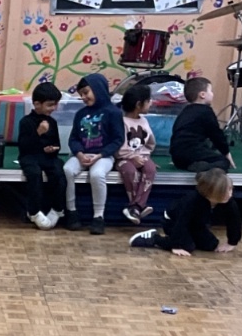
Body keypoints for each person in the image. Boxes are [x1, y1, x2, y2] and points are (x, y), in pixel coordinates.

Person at [62, 73, 123, 235]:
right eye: (81, 94)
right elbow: (73, 138)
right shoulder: (80, 114)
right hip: (82, 155)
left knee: (97, 174)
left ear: (98, 89)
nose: (83, 97)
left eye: (86, 92)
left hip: (103, 156)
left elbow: (118, 140)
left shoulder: (114, 113)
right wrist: (79, 153)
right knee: (67, 170)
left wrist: (101, 155)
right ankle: (71, 211)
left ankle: (98, 216)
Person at [129, 167, 240, 255]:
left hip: (196, 224)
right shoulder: (191, 200)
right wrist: (176, 245)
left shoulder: (228, 201)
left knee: (211, 245)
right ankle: (155, 238)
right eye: (225, 191)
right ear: (210, 192)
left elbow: (234, 221)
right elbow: (181, 221)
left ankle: (186, 239)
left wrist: (232, 242)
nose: (230, 194)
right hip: (172, 221)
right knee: (187, 246)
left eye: (231, 189)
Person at [17, 81, 65, 228]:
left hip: (48, 157)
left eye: (55, 105)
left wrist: (53, 149)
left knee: (59, 172)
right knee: (34, 174)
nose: (53, 108)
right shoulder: (26, 122)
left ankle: (57, 209)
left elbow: (57, 144)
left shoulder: (52, 122)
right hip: (29, 156)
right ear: (37, 104)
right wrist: (38, 132)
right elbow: (24, 147)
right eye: (50, 105)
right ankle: (34, 211)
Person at [169, 76, 234, 172]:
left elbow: (176, 130)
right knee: (223, 162)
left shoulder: (185, 111)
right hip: (192, 152)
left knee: (202, 151)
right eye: (211, 91)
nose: (212, 94)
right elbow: (216, 135)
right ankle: (203, 167)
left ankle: (192, 164)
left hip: (176, 156)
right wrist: (226, 153)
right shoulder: (206, 111)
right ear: (202, 95)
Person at [117, 83, 158, 223]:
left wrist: (145, 157)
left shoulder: (144, 121)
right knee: (129, 171)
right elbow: (119, 147)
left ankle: (136, 206)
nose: (151, 103)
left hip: (141, 156)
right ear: (139, 104)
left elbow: (150, 143)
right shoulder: (121, 122)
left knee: (150, 168)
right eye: (148, 100)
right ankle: (137, 206)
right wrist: (132, 157)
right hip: (123, 158)